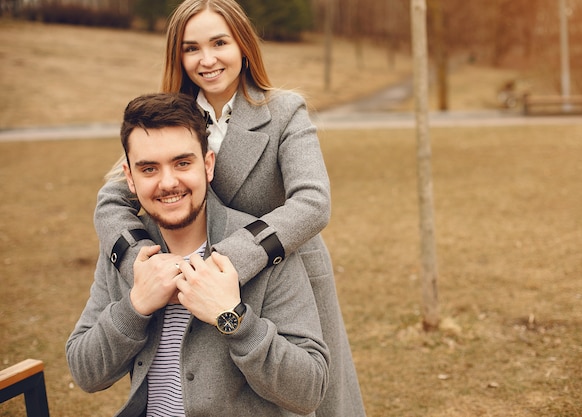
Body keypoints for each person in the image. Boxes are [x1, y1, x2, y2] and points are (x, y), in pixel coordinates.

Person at [94, 1, 366, 415]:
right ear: (178, 56)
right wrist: (137, 260)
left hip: (282, 270)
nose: (207, 60)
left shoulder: (283, 111)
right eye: (191, 48)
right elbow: (112, 197)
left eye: (219, 42)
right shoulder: (172, 118)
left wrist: (227, 258)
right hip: (190, 281)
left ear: (243, 44)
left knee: (312, 395)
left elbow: (313, 203)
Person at [66, 93, 330, 416]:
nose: (168, 182)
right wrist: (135, 307)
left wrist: (233, 319)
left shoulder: (265, 251)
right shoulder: (127, 252)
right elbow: (84, 371)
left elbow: (310, 389)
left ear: (208, 165)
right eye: (149, 169)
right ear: (129, 179)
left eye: (182, 163)